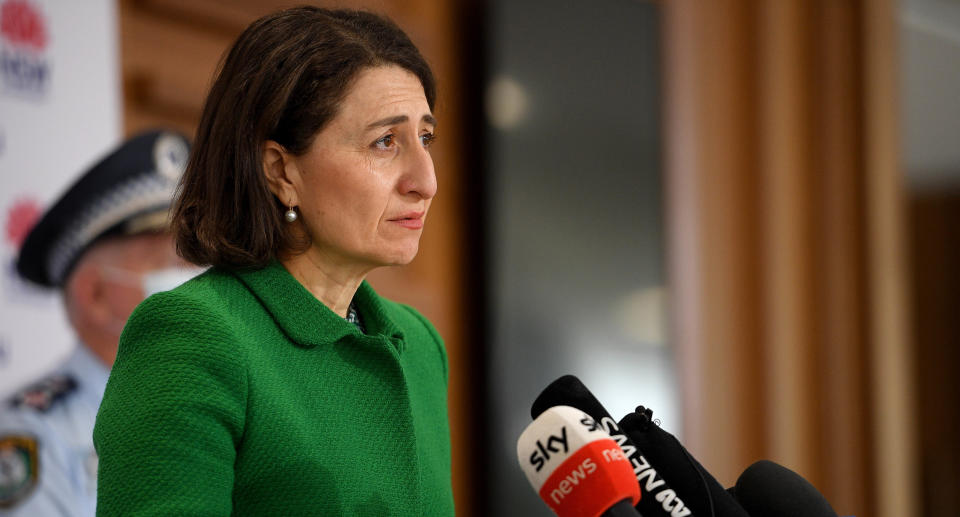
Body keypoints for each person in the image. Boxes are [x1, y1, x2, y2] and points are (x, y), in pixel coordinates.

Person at [93, 7, 454, 516]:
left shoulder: (418, 345)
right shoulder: (193, 337)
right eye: (385, 141)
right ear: (281, 170)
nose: (426, 181)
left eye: (425, 138)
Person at [0, 130, 193, 515]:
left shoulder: (217, 408)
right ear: (96, 296)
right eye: (170, 262)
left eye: (196, 257)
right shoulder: (36, 436)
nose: (196, 279)